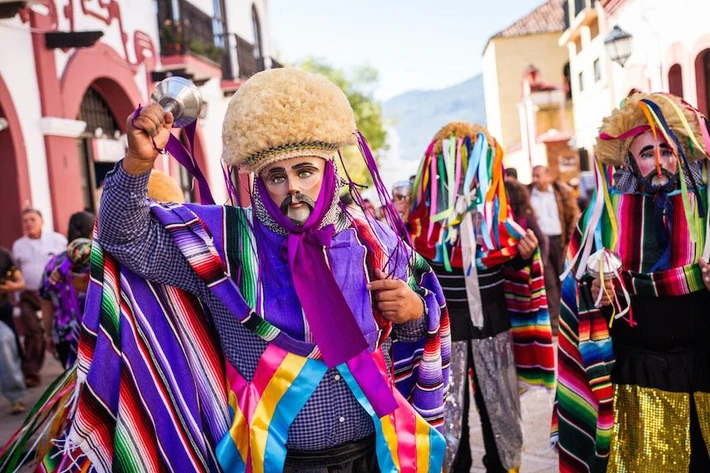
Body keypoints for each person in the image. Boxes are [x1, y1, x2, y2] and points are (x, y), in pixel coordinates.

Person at [8, 68, 450, 472]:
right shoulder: (222, 243)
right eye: (275, 176)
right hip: (274, 462)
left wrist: (413, 312)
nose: (292, 187)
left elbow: (412, 341)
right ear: (258, 183)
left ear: (330, 172)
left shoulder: (373, 240)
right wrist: (138, 163)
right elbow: (124, 238)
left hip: (373, 454)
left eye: (304, 171)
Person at [553, 92, 710, 472]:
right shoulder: (603, 216)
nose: (660, 162)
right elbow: (574, 298)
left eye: (668, 150)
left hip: (703, 374)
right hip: (636, 381)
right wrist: (594, 295)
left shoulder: (706, 210)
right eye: (646, 152)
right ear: (628, 160)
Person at [408, 122, 555, 472]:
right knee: (447, 414)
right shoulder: (420, 227)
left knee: (500, 412)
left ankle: (503, 467)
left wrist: (522, 255)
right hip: (445, 331)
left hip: (494, 323)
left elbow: (519, 276)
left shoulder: (499, 223)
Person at [11, 208, 67, 387]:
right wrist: (17, 296)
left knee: (61, 327)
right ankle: (32, 372)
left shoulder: (57, 239)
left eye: (32, 219)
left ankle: (68, 364)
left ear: (41, 220)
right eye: (25, 220)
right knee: (33, 331)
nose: (29, 223)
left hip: (55, 291)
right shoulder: (18, 245)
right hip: (28, 294)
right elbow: (16, 271)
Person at [529, 166, 580, 334]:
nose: (535, 179)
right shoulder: (528, 194)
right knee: (549, 281)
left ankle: (571, 318)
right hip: (541, 245)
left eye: (538, 175)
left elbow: (573, 215)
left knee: (565, 279)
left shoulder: (561, 192)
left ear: (547, 176)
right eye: (533, 176)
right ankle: (555, 322)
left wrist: (570, 241)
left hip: (561, 241)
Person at [0, 247, 26, 414]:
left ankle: (16, 396)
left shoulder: (3, 255)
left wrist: (10, 287)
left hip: (2, 311)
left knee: (6, 341)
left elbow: (20, 282)